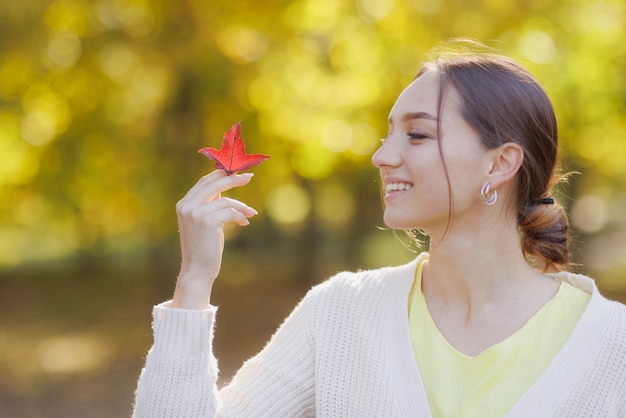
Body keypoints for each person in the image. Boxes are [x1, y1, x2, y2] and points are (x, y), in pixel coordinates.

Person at [132, 40, 626, 417]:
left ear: (499, 165)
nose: (382, 156)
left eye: (416, 134)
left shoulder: (612, 348)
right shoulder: (341, 315)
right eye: (387, 133)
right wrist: (194, 281)